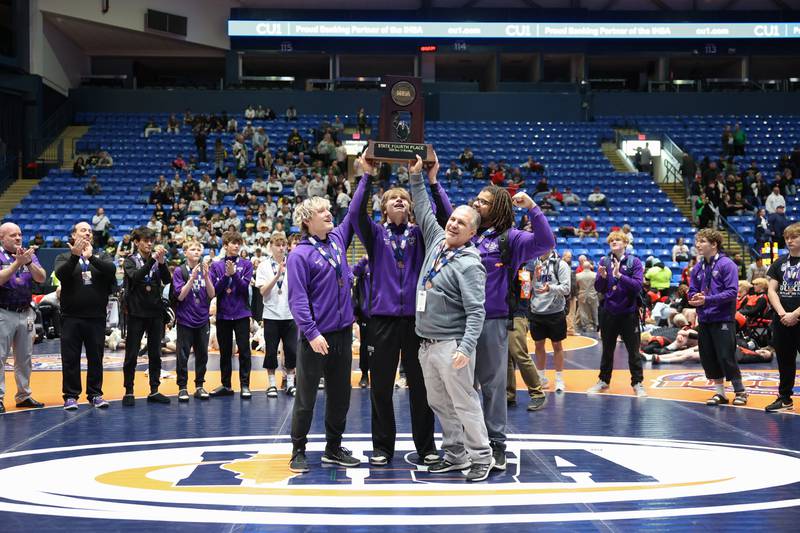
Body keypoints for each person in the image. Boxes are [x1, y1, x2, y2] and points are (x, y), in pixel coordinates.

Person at [431, 160, 555, 472]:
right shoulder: (469, 234)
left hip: (492, 320)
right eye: (477, 200)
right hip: (456, 323)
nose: (476, 204)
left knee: (491, 385)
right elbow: (450, 214)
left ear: (498, 207)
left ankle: (496, 442)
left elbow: (546, 242)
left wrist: (532, 207)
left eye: (483, 202)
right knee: (458, 388)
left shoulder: (510, 239)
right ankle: (460, 445)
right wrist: (435, 184)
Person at [409, 154, 494, 481]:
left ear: (472, 232)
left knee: (465, 404)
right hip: (427, 344)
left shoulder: (470, 264)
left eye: (461, 222)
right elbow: (423, 206)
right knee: (439, 403)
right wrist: (417, 178)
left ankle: (481, 456)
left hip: (452, 345)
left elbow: (477, 311)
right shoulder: (436, 241)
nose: (453, 224)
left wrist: (465, 348)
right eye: (453, 219)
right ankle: (456, 454)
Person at [349, 155, 436, 467]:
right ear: (383, 208)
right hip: (382, 321)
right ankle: (383, 447)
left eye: (404, 198)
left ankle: (426, 447)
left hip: (417, 320)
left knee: (422, 389)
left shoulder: (421, 234)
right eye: (393, 199)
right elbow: (355, 213)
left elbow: (440, 214)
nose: (399, 201)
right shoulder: (374, 236)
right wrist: (366, 176)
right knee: (382, 388)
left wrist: (425, 179)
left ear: (410, 207)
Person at [287, 180, 362, 474]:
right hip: (315, 336)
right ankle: (298, 450)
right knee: (306, 396)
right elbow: (298, 300)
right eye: (322, 210)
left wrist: (365, 177)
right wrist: (312, 332)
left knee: (341, 394)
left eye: (329, 209)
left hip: (342, 334)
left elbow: (354, 211)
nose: (330, 213)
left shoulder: (337, 241)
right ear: (308, 220)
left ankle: (333, 448)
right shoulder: (299, 255)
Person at [54, 222, 116, 410]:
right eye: (83, 230)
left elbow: (111, 270)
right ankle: (71, 396)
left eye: (90, 231)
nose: (88, 233)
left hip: (96, 316)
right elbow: (61, 275)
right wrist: (75, 256)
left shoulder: (101, 255)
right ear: (73, 235)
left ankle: (95, 394)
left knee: (96, 357)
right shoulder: (63, 256)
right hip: (71, 316)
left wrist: (92, 258)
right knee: (70, 358)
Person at [688, 228, 748, 406]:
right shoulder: (698, 267)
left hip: (722, 318)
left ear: (714, 244)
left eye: (702, 241)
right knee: (708, 357)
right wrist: (693, 298)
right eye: (697, 241)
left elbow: (731, 293)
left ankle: (740, 392)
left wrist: (706, 300)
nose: (698, 244)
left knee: (726, 356)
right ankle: (720, 393)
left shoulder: (726, 264)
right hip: (704, 319)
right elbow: (692, 289)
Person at [588, 231, 647, 397]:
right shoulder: (604, 261)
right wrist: (601, 277)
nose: (614, 242)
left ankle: (637, 383)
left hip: (629, 313)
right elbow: (599, 288)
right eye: (611, 240)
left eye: (617, 239)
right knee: (607, 349)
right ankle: (604, 380)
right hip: (609, 312)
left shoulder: (633, 261)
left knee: (633, 351)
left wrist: (619, 275)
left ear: (625, 243)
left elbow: (637, 286)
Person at [122, 227, 172, 406]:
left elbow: (167, 280)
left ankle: (154, 389)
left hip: (155, 313)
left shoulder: (156, 262)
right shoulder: (129, 261)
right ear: (137, 242)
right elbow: (136, 277)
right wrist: (152, 261)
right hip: (136, 312)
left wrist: (162, 262)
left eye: (151, 240)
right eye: (145, 240)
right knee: (132, 353)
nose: (149, 243)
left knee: (155, 354)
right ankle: (129, 390)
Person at [0, 223, 46, 412]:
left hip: (25, 312)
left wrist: (27, 262)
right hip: (3, 312)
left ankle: (24, 395)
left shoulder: (28, 254)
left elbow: (42, 277)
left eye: (19, 234)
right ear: (2, 238)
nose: (18, 238)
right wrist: (17, 264)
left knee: (25, 357)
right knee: (0, 356)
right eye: (13, 235)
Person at [209, 231, 254, 398]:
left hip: (241, 313)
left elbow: (244, 290)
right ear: (225, 245)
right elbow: (214, 291)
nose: (236, 246)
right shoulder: (216, 266)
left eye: (238, 243)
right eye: (233, 243)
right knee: (225, 352)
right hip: (223, 315)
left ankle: (245, 385)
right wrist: (226, 276)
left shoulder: (247, 264)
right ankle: (226, 385)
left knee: (244, 351)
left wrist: (234, 274)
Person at [255, 231, 297, 398]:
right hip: (271, 314)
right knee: (271, 351)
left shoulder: (293, 264)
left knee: (291, 351)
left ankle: (290, 383)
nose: (281, 248)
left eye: (283, 245)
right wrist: (277, 275)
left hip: (290, 314)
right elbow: (263, 292)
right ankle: (271, 384)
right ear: (270, 247)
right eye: (277, 245)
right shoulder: (264, 266)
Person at [172, 240, 215, 401]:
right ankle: (182, 387)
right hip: (185, 319)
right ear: (185, 252)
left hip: (202, 318)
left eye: (198, 249)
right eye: (192, 249)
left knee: (202, 354)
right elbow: (181, 296)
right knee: (182, 355)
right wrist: (191, 278)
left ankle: (199, 386)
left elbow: (211, 294)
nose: (196, 252)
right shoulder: (180, 271)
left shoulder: (206, 270)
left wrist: (206, 277)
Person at [765, 222, 800, 413]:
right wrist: (782, 314)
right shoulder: (779, 263)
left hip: (796, 316)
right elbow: (771, 290)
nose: (789, 240)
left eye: (794, 237)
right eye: (787, 238)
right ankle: (785, 398)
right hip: (782, 319)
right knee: (785, 361)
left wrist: (795, 314)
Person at [528, 250, 571, 392]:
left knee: (557, 345)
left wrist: (550, 288)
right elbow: (526, 289)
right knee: (538, 345)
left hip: (555, 312)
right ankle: (541, 377)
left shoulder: (561, 264)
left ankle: (559, 379)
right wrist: (531, 279)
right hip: (536, 311)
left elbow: (566, 289)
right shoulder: (532, 263)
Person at [506, 262, 547, 411]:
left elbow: (525, 292)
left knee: (519, 353)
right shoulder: (505, 257)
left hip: (517, 313)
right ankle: (508, 395)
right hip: (502, 313)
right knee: (506, 357)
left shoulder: (526, 263)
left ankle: (537, 393)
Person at [575, 259, 598, 332]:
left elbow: (576, 286)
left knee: (583, 311)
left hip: (582, 294)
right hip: (593, 294)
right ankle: (596, 324)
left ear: (582, 267)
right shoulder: (595, 275)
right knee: (594, 310)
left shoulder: (578, 275)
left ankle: (585, 326)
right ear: (590, 266)